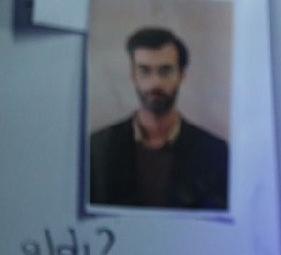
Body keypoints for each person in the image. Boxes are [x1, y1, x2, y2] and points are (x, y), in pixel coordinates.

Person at [90, 27, 229, 210]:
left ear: (182, 75)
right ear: (133, 75)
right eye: (144, 71)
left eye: (165, 71)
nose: (155, 83)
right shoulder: (97, 149)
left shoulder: (215, 153)